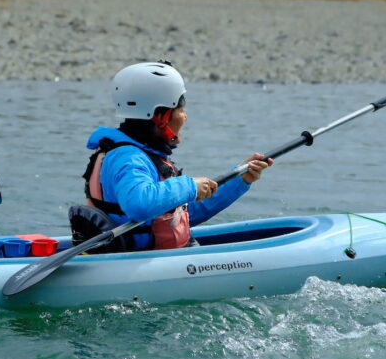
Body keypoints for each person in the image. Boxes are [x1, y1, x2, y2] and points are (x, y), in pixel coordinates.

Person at [75, 60, 272, 251]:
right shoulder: (128, 158)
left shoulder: (141, 154)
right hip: (137, 264)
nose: (185, 116)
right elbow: (138, 205)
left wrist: (240, 179)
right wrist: (189, 186)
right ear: (161, 117)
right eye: (180, 109)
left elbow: (180, 216)